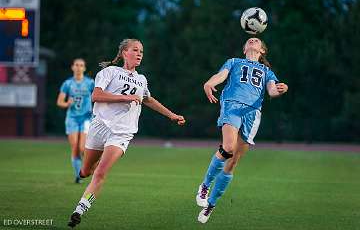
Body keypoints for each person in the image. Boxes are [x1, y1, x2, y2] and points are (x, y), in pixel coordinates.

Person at [67, 39, 186, 228]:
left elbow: (148, 99)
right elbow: (96, 96)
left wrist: (171, 115)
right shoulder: (109, 72)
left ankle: (79, 210)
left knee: (100, 172)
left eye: (142, 52)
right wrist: (126, 97)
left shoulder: (141, 79)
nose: (139, 54)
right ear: (124, 53)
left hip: (122, 133)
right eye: (135, 50)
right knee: (85, 171)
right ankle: (87, 166)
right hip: (100, 126)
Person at [196, 38, 288, 223]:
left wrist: (281, 89)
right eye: (249, 40)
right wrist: (209, 83)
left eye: (256, 40)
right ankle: (205, 185)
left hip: (252, 114)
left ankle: (211, 204)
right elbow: (220, 75)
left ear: (262, 50)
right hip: (232, 106)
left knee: (232, 163)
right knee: (228, 148)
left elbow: (272, 91)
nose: (252, 40)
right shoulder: (234, 62)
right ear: (245, 48)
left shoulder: (267, 72)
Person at [57, 58, 94, 184]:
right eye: (76, 65)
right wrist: (67, 103)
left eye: (81, 65)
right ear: (72, 67)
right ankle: (78, 175)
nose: (79, 67)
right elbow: (60, 102)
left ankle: (91, 168)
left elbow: (98, 97)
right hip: (72, 118)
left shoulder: (90, 83)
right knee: (75, 148)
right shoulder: (67, 84)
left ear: (84, 68)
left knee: (82, 147)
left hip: (86, 118)